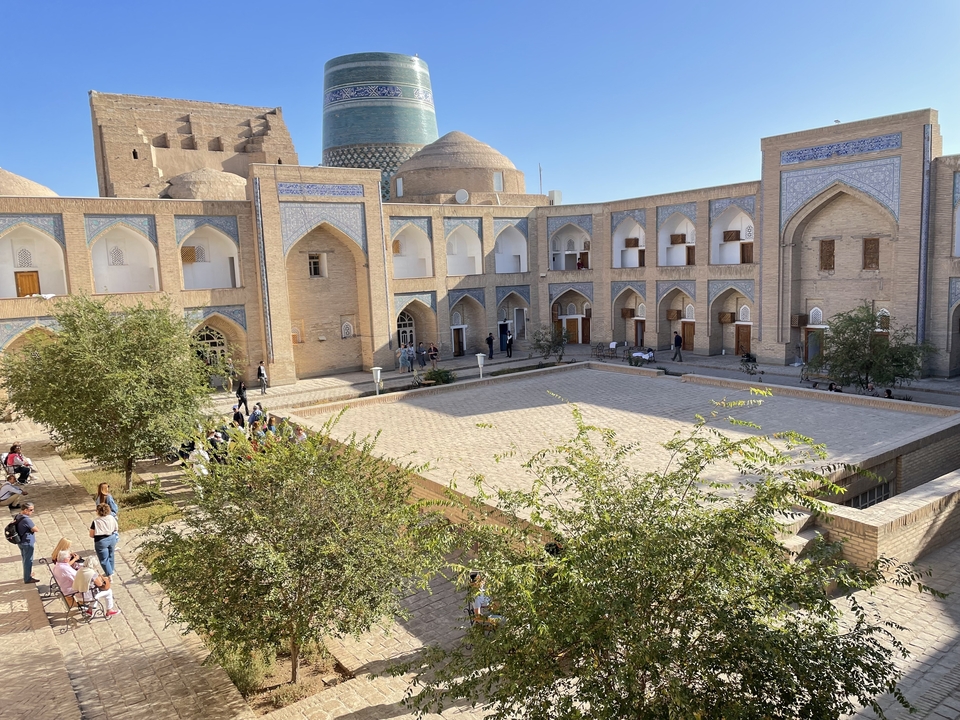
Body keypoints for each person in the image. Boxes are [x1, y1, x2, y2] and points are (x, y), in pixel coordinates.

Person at [89, 503, 119, 577]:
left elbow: (91, 534)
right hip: (112, 538)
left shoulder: (96, 521)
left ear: (98, 511)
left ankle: (109, 574)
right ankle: (111, 570)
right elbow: (116, 528)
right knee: (111, 555)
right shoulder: (112, 518)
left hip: (101, 541)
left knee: (104, 559)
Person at [14, 502, 39, 583]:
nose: (32, 511)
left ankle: (27, 574)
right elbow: (36, 529)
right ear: (25, 510)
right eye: (31, 510)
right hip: (27, 542)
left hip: (20, 542)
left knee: (25, 559)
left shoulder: (18, 516)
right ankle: (27, 578)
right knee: (28, 560)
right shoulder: (26, 519)